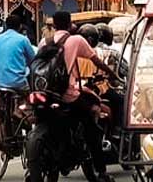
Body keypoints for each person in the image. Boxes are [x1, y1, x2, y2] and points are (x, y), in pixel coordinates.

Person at [48, 11, 117, 182]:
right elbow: (96, 61)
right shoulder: (77, 40)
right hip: (68, 94)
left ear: (54, 25)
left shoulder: (46, 42)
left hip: (48, 94)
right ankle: (101, 171)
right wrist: (112, 74)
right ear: (69, 24)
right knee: (92, 126)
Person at [0, 14, 35, 91]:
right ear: (20, 26)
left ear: (6, 25)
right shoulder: (23, 40)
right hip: (17, 83)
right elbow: (33, 60)